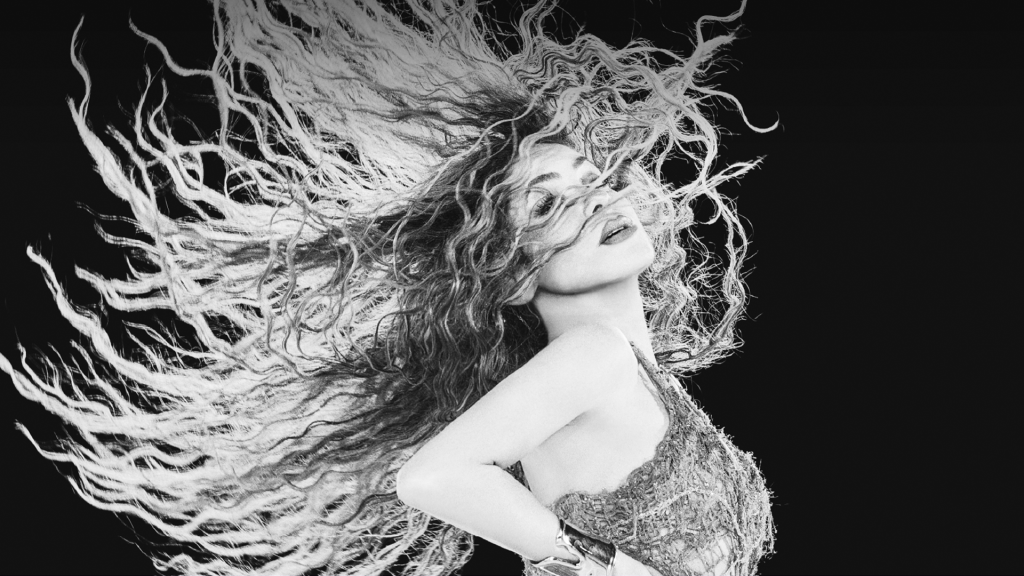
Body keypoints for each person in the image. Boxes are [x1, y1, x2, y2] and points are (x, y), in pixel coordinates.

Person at [1, 0, 775, 574]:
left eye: (589, 179)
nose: (595, 200)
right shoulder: (593, 359)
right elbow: (431, 477)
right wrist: (596, 566)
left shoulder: (630, 372)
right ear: (510, 273)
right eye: (547, 205)